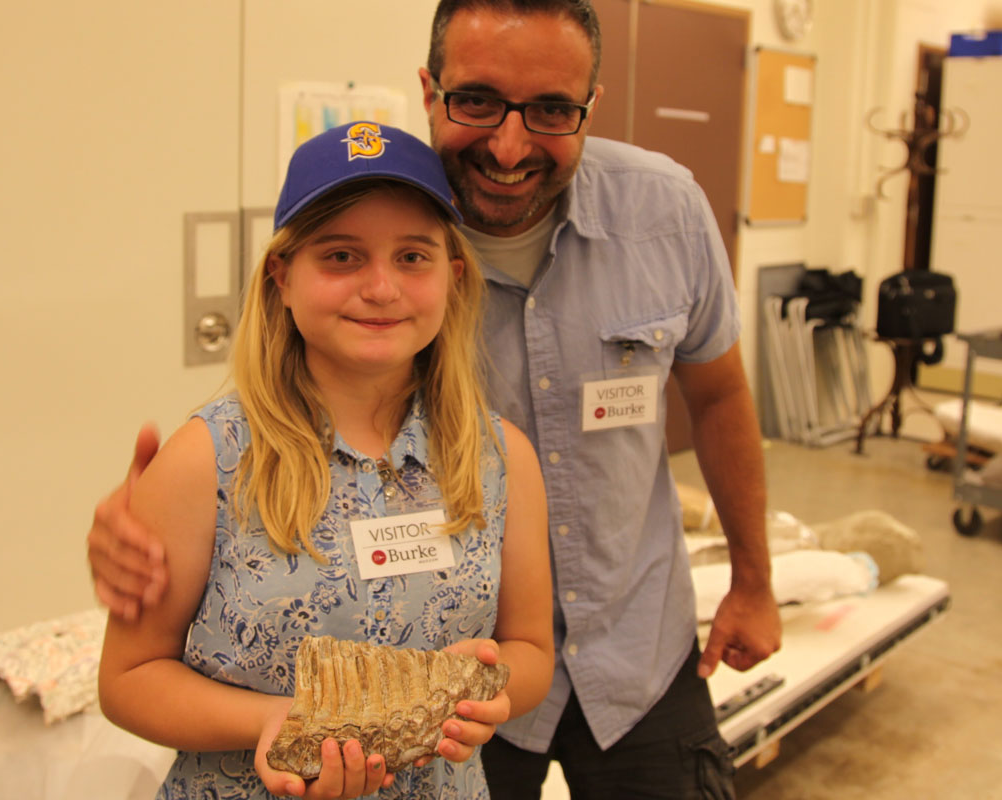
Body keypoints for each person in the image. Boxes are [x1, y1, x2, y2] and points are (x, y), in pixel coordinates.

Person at [92, 1, 783, 797]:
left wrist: (755, 581)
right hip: (472, 732)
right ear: (430, 89)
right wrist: (142, 534)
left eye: (553, 110)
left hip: (636, 656)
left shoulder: (663, 219)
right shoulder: (400, 214)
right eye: (479, 100)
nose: (511, 143)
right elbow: (140, 658)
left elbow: (723, 396)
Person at [97, 121, 554, 800]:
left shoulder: (498, 458)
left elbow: (532, 652)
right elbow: (128, 680)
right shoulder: (209, 461)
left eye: (412, 257)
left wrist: (490, 688)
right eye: (341, 257)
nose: (380, 287)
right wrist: (273, 722)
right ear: (282, 276)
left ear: (454, 277)